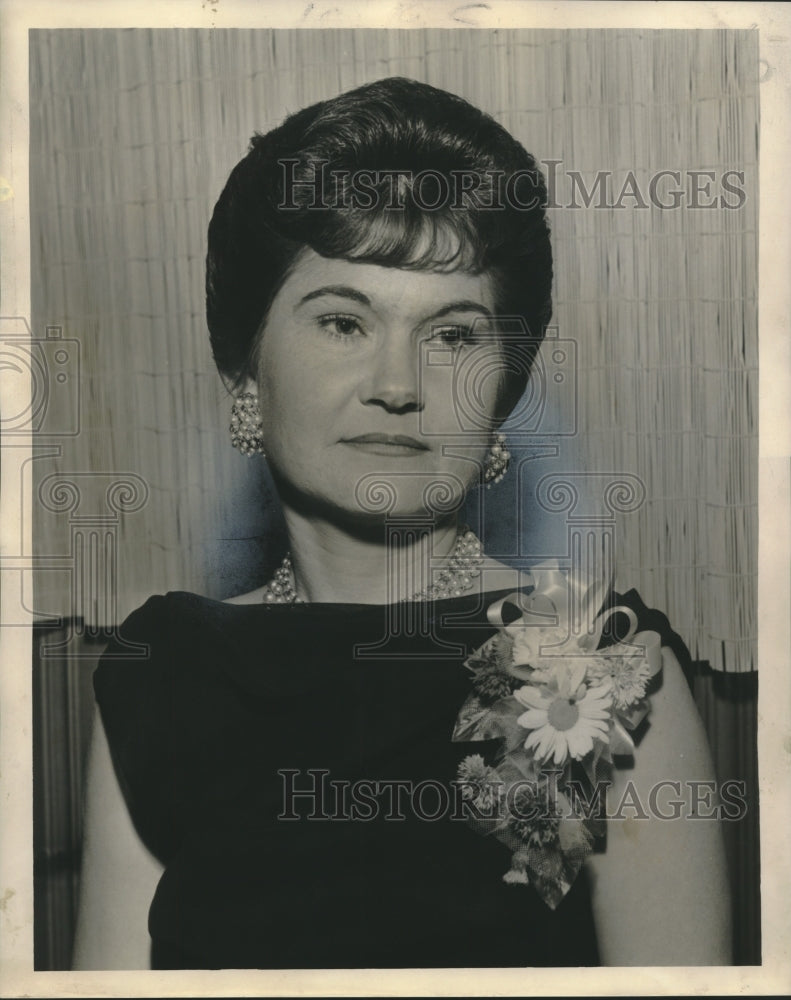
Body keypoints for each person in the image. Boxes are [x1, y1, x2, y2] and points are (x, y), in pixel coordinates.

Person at [72, 77, 731, 970]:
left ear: (502, 388)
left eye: (454, 336)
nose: (398, 383)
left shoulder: (606, 669)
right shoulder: (163, 672)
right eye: (343, 321)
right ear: (245, 374)